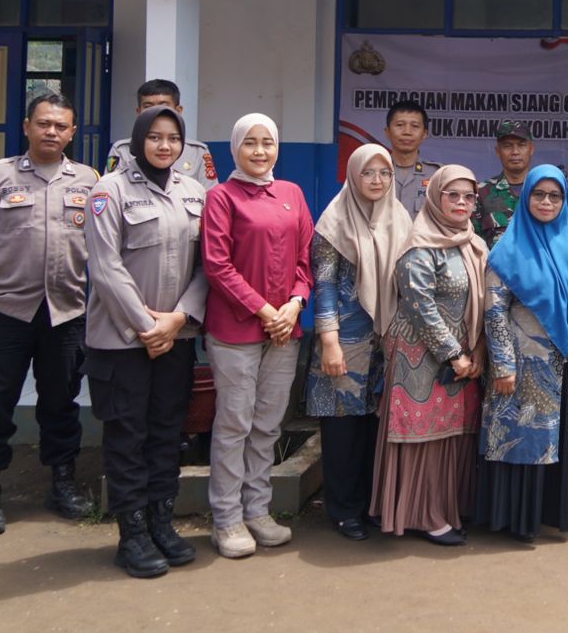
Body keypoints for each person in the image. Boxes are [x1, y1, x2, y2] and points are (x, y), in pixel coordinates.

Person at [0, 91, 100, 537]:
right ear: (27, 127)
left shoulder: (89, 181)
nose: (52, 132)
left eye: (61, 126)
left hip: (66, 314)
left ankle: (61, 482)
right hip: (7, 313)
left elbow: (104, 246)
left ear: (72, 132)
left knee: (61, 402)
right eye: (44, 124)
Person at [83, 104, 209, 577]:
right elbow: (105, 267)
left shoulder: (194, 191)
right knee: (127, 437)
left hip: (175, 338)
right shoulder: (108, 191)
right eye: (154, 137)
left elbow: (206, 267)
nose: (164, 146)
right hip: (121, 342)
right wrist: (146, 325)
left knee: (165, 435)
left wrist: (177, 320)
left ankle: (162, 524)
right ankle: (131, 534)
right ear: (138, 140)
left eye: (173, 138)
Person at [201, 113, 313, 559]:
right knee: (234, 424)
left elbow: (306, 258)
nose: (261, 151)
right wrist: (266, 310)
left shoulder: (291, 194)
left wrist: (294, 304)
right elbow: (217, 265)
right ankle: (226, 519)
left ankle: (258, 511)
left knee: (267, 424)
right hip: (236, 331)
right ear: (235, 149)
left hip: (285, 329)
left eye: (268, 143)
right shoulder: (221, 198)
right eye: (251, 143)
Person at [478, 164, 568, 543]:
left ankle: (554, 508)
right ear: (526, 197)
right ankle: (520, 518)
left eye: (555, 196)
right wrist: (503, 364)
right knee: (526, 435)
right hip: (524, 361)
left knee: (563, 432)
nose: (546, 202)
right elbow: (494, 310)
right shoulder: (507, 249)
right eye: (539, 195)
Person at [372, 165, 488, 545]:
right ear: (434, 197)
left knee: (453, 435)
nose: (460, 203)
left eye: (468, 196)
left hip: (464, 361)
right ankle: (424, 514)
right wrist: (454, 354)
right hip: (421, 359)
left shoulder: (474, 243)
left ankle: (449, 507)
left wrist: (474, 353)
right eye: (451, 195)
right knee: (425, 435)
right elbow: (420, 306)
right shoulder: (419, 245)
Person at [305, 144, 411, 541]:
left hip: (386, 342)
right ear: (353, 175)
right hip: (344, 342)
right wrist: (329, 341)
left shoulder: (400, 219)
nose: (377, 181)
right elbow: (325, 286)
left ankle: (370, 505)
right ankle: (343, 509)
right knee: (341, 429)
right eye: (368, 173)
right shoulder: (333, 223)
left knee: (374, 426)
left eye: (384, 173)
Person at [104, 79, 218, 189]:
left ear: (178, 111)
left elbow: (208, 196)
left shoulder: (197, 152)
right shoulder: (122, 150)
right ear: (138, 112)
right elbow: (110, 189)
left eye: (163, 106)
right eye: (148, 107)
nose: (156, 112)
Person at [474, 119, 535, 248]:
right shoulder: (481, 192)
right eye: (507, 146)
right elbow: (473, 240)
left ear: (531, 149)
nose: (515, 152)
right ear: (497, 151)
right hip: (493, 266)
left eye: (522, 145)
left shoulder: (543, 190)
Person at [385, 100, 441, 217]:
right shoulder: (372, 173)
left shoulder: (438, 175)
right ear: (387, 132)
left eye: (415, 126)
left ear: (424, 134)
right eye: (400, 125)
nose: (407, 132)